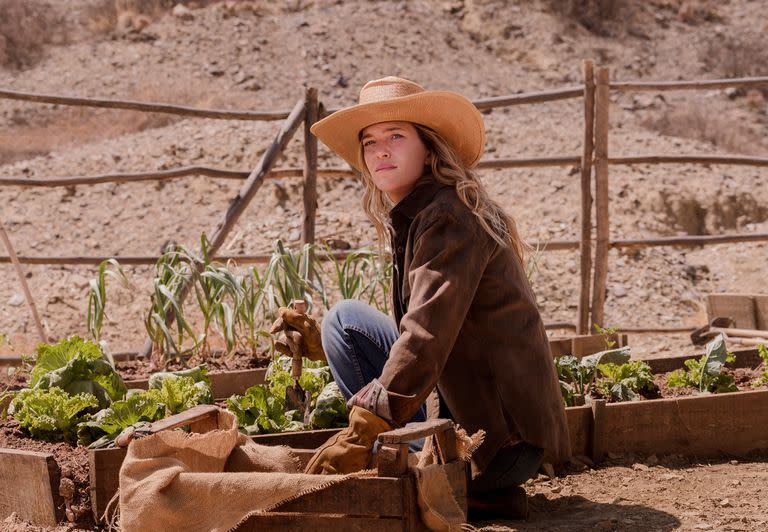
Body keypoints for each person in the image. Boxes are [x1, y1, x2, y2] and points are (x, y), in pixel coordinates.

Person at [272, 76, 570, 518]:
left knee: (367, 367)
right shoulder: (425, 211)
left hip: (499, 442)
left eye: (396, 136)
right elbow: (427, 327)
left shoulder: (451, 217)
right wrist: (320, 346)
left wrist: (361, 431)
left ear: (428, 148)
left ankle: (460, 477)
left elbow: (425, 334)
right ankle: (449, 471)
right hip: (486, 422)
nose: (381, 151)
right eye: (370, 141)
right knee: (343, 322)